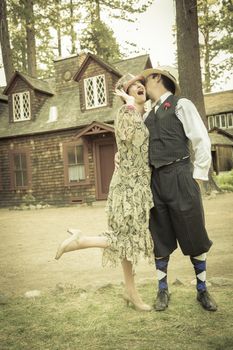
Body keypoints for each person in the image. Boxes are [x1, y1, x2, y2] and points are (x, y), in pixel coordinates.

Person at [55, 73, 154, 312]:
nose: (139, 86)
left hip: (139, 186)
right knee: (126, 239)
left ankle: (130, 291)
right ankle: (82, 240)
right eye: (132, 87)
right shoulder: (125, 113)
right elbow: (132, 137)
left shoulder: (145, 114)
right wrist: (129, 107)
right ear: (126, 95)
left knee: (128, 242)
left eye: (141, 84)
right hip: (127, 187)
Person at [139, 66, 217, 312]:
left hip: (181, 174)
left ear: (157, 78)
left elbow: (201, 138)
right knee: (159, 235)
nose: (143, 84)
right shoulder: (146, 115)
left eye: (145, 79)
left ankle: (202, 290)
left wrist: (198, 176)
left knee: (193, 232)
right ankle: (162, 290)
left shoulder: (181, 104)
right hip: (156, 180)